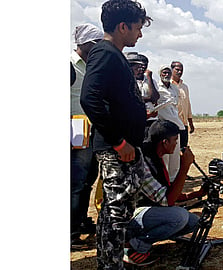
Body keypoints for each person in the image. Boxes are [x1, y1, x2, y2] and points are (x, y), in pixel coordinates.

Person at [80, 0, 152, 269]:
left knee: (119, 213)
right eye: (137, 28)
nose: (140, 34)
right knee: (115, 213)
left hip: (124, 148)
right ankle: (110, 265)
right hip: (116, 150)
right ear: (123, 27)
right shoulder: (105, 53)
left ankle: (111, 263)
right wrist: (119, 142)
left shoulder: (113, 54)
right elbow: (90, 99)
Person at [123, 119, 200, 266]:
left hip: (147, 212)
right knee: (179, 217)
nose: (177, 145)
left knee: (194, 222)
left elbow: (165, 193)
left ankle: (144, 239)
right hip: (130, 217)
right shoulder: (143, 162)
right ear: (164, 142)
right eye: (175, 141)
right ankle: (133, 246)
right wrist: (184, 167)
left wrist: (197, 194)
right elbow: (167, 200)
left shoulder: (156, 156)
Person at [70, 23, 104, 249]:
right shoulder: (70, 65)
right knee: (76, 182)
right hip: (75, 130)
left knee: (88, 180)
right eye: (97, 45)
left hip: (89, 131)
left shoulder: (90, 65)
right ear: (87, 44)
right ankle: (70, 232)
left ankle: (80, 221)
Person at [155, 65, 185, 183]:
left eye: (168, 72)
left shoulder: (174, 88)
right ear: (160, 74)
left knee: (175, 158)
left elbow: (175, 106)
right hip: (163, 128)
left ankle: (173, 184)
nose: (166, 75)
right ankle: (164, 184)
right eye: (164, 73)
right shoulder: (157, 87)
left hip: (176, 126)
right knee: (165, 158)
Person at [125, 52, 159, 120]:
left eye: (145, 65)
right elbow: (132, 99)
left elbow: (155, 98)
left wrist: (149, 77)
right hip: (134, 118)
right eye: (140, 65)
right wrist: (149, 98)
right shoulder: (127, 80)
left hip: (151, 118)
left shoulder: (151, 81)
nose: (142, 67)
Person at [170, 61, 194, 149]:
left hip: (184, 124)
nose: (179, 72)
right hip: (172, 124)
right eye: (177, 70)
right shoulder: (167, 86)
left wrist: (191, 123)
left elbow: (188, 105)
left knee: (183, 149)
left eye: (181, 70)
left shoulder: (185, 87)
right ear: (171, 70)